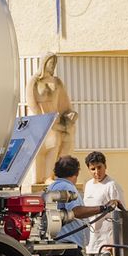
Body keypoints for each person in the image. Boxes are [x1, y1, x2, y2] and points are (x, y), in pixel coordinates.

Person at [28, 53, 78, 189]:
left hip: (56, 120)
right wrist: (42, 119)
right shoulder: (35, 81)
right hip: (43, 121)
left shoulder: (57, 82)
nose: (52, 66)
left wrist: (69, 116)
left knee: (58, 141)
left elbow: (64, 103)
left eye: (54, 63)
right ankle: (45, 176)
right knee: (51, 142)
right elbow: (32, 103)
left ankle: (53, 175)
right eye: (50, 62)